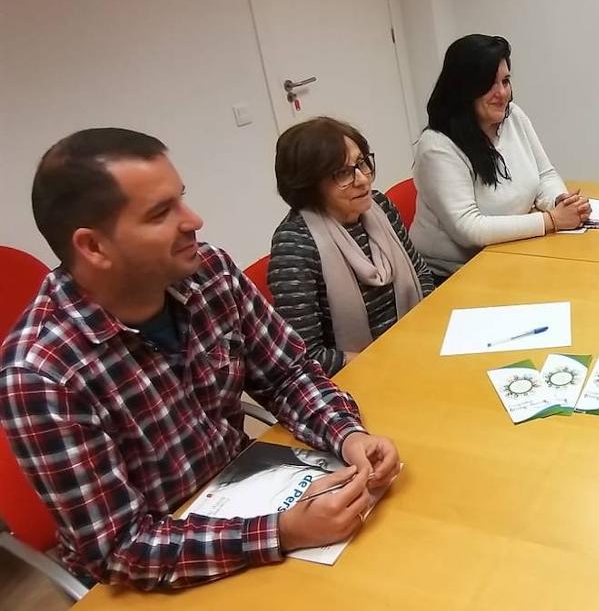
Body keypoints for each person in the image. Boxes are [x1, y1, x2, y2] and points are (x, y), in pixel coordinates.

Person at [0, 128, 402, 589]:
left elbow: (288, 374)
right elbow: (121, 548)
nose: (194, 220)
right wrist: (283, 531)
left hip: (252, 494)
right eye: (160, 213)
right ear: (93, 247)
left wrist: (347, 435)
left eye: (182, 199)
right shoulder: (41, 375)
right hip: (166, 563)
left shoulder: (209, 273)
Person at [411, 34, 589, 280]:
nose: (502, 93)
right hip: (453, 276)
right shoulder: (437, 147)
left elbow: (544, 174)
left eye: (505, 81)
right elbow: (469, 230)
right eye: (489, 84)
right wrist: (551, 220)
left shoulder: (513, 116)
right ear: (463, 89)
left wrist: (559, 201)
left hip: (511, 255)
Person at [268, 117, 436, 375]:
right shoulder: (295, 245)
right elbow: (305, 355)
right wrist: (384, 363)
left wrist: (422, 332)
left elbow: (421, 273)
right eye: (343, 173)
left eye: (361, 163)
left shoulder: (380, 207)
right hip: (361, 373)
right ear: (309, 184)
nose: (362, 180)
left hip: (415, 345)